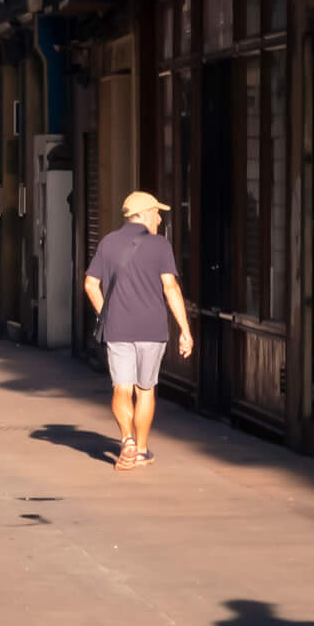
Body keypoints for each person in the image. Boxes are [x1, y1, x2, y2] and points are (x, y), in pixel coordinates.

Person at [82, 191, 194, 469]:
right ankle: (142, 450)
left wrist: (105, 314)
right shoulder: (160, 246)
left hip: (117, 328)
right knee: (145, 390)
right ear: (144, 214)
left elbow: (90, 284)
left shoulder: (107, 243)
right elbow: (171, 288)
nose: (159, 218)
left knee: (121, 387)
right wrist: (185, 330)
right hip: (152, 328)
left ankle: (127, 440)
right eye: (157, 212)